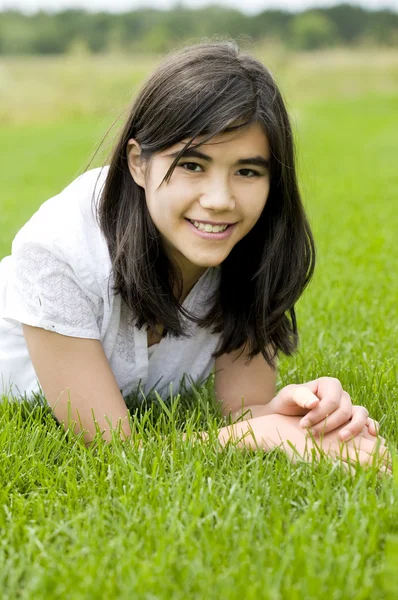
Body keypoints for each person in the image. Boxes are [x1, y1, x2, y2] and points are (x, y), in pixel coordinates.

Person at [0, 40, 391, 473]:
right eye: (192, 165)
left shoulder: (254, 246)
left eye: (247, 171)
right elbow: (113, 451)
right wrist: (257, 435)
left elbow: (241, 413)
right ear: (138, 163)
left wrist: (293, 415)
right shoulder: (58, 251)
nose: (220, 200)